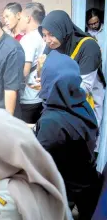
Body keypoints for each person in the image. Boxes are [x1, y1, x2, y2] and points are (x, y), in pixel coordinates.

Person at [35, 50, 102, 219]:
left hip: (64, 196)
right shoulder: (80, 103)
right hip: (87, 187)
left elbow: (34, 164)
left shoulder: (53, 120)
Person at [40, 10, 106, 127]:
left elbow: (84, 88)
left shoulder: (89, 47)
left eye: (51, 34)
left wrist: (51, 86)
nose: (47, 40)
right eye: (44, 35)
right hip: (62, 104)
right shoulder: (53, 45)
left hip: (85, 105)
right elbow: (42, 76)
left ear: (62, 30)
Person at [17, 2, 46, 123]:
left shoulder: (28, 39)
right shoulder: (44, 36)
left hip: (29, 98)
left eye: (21, 18)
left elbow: (25, 70)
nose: (19, 21)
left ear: (28, 18)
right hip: (41, 96)